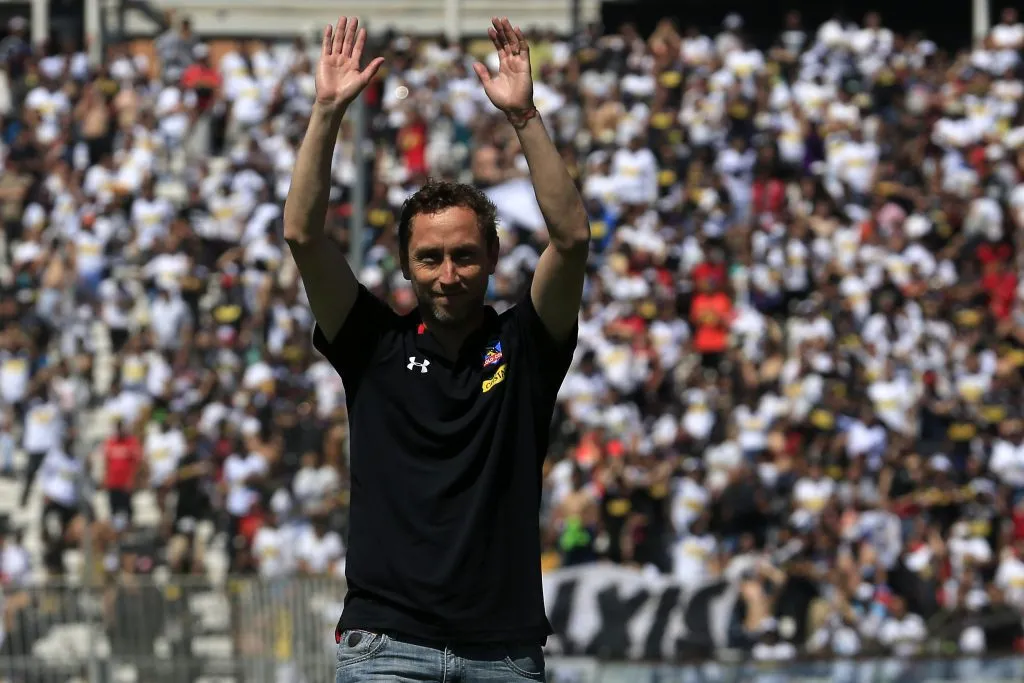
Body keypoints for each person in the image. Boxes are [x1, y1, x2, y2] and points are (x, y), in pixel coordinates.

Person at [283, 15, 590, 682]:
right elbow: (303, 235)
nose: (447, 274)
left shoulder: (526, 346)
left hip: (503, 652)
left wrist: (524, 116)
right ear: (404, 265)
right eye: (429, 258)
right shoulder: (372, 344)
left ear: (492, 258)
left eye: (464, 256)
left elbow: (570, 240)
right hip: (386, 649)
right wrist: (327, 112)